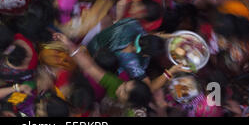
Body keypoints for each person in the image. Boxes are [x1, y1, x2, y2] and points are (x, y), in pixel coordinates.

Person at [53, 32, 190, 112]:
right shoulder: (116, 84)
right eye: (125, 85)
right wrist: (69, 45)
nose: (120, 87)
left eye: (124, 91)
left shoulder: (132, 113)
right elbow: (90, 67)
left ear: (131, 103)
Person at [86, 18, 165, 79]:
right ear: (146, 55)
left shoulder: (134, 23)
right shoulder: (131, 62)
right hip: (94, 60)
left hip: (92, 40)